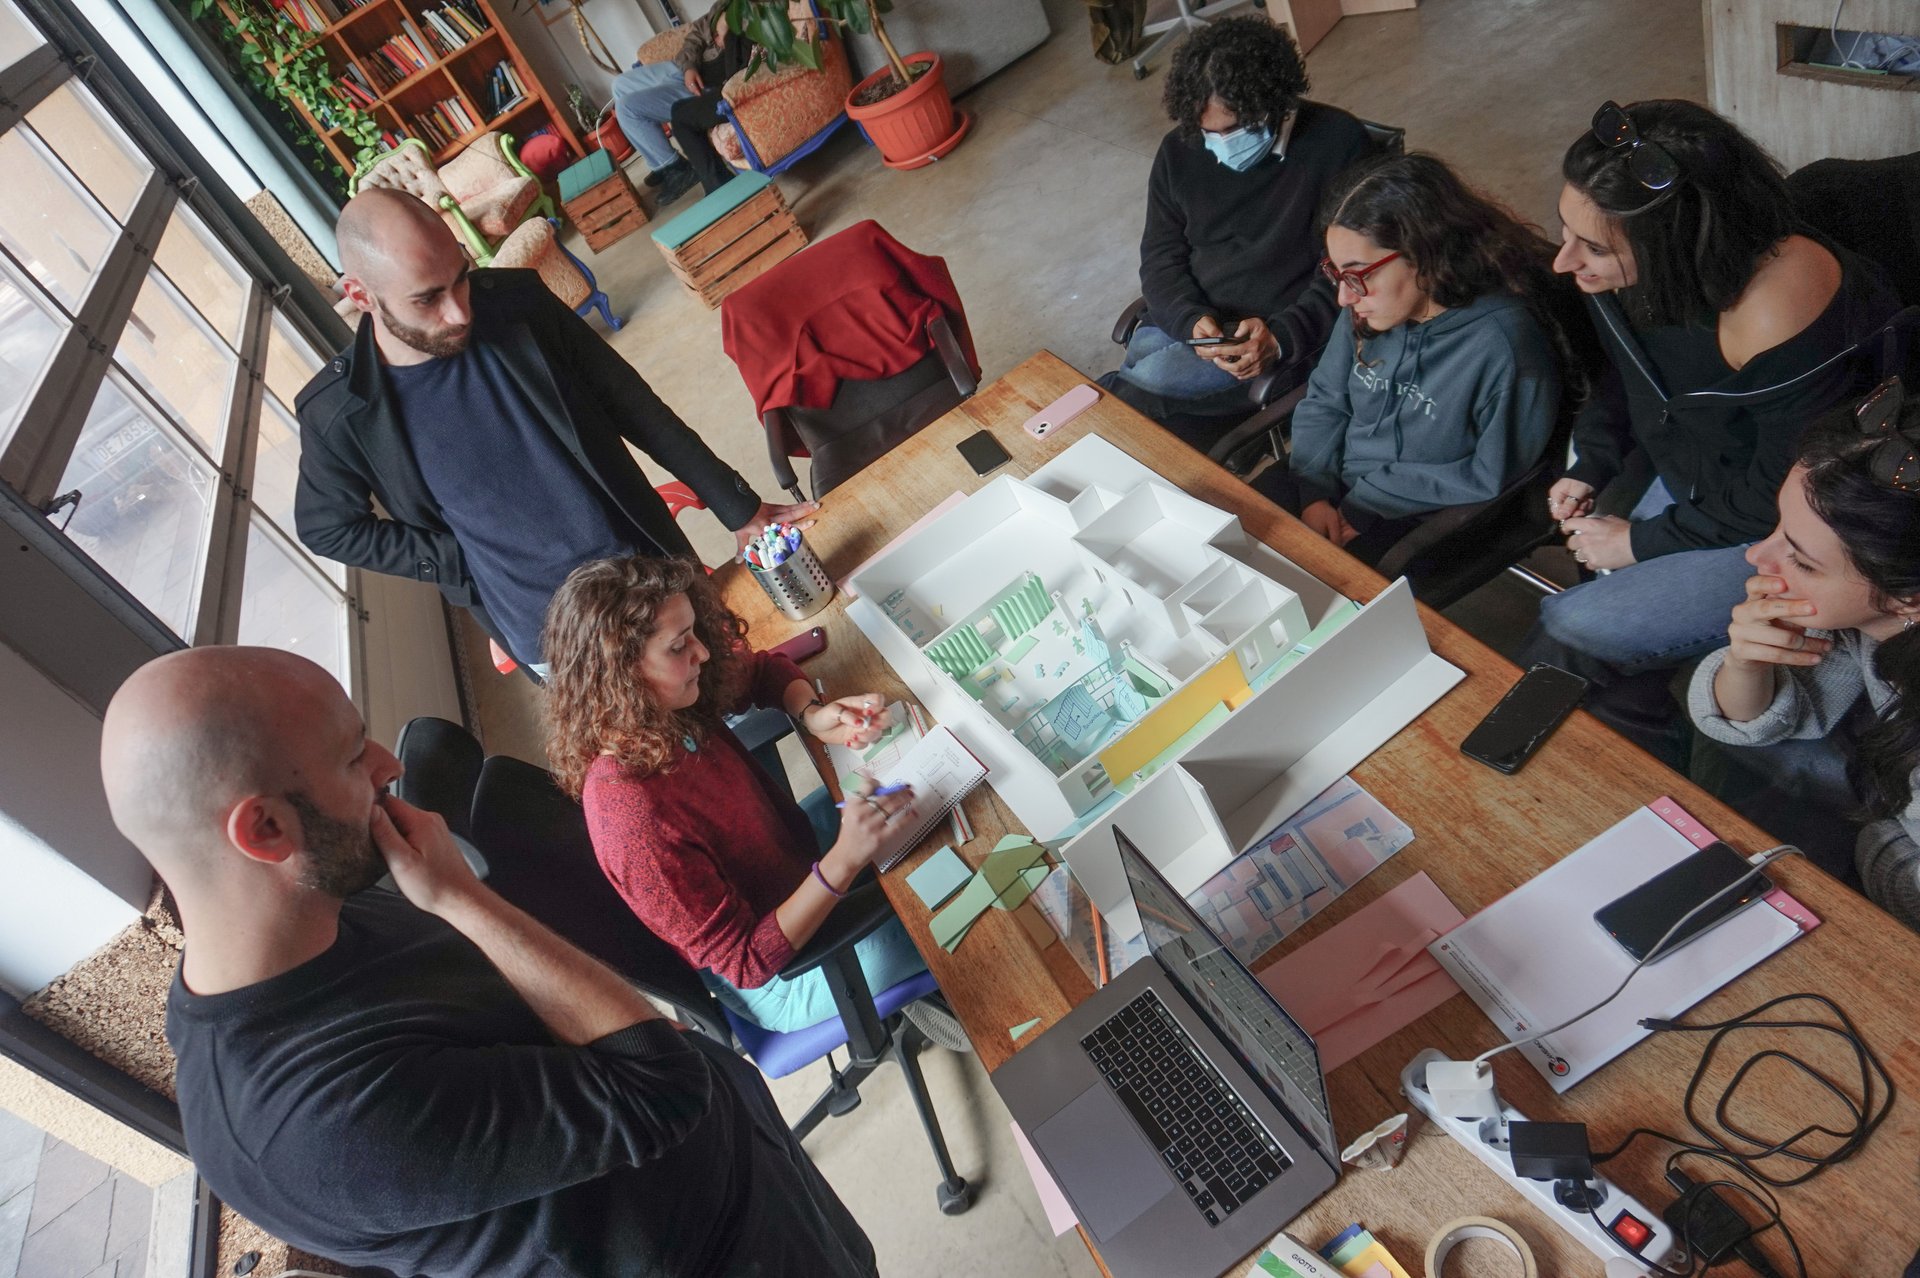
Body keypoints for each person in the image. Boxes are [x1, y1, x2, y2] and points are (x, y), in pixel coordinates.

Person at [99, 645, 878, 1276]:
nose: (387, 765)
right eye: (351, 758)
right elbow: (657, 1087)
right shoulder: (311, 1124)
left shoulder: (331, 902)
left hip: (748, 1174)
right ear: (266, 830)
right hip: (725, 1254)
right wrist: (463, 899)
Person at [295, 189, 813, 673]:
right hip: (551, 635)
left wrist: (735, 504)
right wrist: (456, 561)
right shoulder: (339, 414)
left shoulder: (518, 303)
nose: (459, 311)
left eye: (460, 278)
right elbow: (327, 528)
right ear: (361, 295)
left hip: (655, 571)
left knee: (730, 682)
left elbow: (632, 405)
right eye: (427, 299)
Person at [1520, 99, 1899, 752]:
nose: (1564, 261)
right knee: (1595, 602)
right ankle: (1653, 735)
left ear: (1676, 242)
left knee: (1567, 634)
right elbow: (1628, 372)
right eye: (1565, 230)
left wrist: (1640, 543)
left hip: (1779, 521)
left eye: (1594, 247)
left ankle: (1647, 781)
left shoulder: (1780, 309)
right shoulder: (1634, 274)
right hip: (1696, 473)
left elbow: (1778, 494)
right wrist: (1596, 463)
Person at [543, 555, 968, 1043]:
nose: (702, 653)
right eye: (679, 646)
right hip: (785, 975)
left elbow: (759, 671)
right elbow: (747, 962)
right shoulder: (632, 819)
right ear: (621, 674)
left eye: (693, 634)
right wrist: (844, 861)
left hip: (790, 859)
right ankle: (940, 998)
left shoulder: (663, 700)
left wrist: (812, 713)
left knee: (935, 813)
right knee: (961, 906)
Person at [1252, 152, 1572, 566]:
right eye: (1337, 274)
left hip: (1422, 512)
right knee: (1227, 532)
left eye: (1358, 274)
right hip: (1327, 481)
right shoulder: (1368, 308)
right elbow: (1326, 399)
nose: (1344, 297)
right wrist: (1314, 492)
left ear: (1423, 253)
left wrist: (1363, 506)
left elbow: (1490, 472)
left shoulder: (1506, 346)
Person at [1688, 380, 1920, 934]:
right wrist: (1747, 662)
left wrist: (1870, 847)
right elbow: (1764, 717)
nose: (1756, 554)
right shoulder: (1876, 620)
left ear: (1906, 596)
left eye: (1802, 561)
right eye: (1777, 528)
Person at [1105, 15, 1372, 437]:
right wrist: (1189, 319)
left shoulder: (1339, 144)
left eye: (1233, 129)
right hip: (1193, 327)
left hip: (1271, 334)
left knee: (1128, 405)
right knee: (1129, 392)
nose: (1219, 145)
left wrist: (1282, 336)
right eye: (1207, 132)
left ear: (1275, 101)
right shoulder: (1179, 150)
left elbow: (1352, 273)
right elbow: (1160, 256)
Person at [611, 0, 755, 203]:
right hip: (687, 69)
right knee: (619, 85)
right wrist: (689, 67)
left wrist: (726, 28)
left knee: (627, 107)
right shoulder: (723, 5)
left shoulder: (753, 12)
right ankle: (660, 163)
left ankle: (674, 168)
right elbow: (696, 34)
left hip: (705, 86)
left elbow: (739, 62)